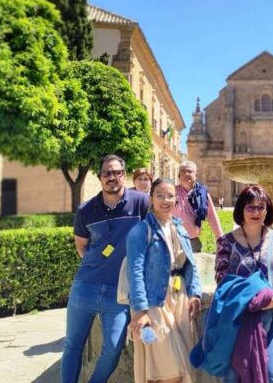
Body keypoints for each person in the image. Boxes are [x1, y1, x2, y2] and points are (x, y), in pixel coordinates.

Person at [62, 155, 151, 383]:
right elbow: (81, 246)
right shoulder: (86, 210)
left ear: (124, 174)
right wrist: (100, 263)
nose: (112, 177)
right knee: (73, 345)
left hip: (118, 294)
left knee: (112, 348)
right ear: (100, 177)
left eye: (116, 172)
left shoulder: (141, 203)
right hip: (85, 288)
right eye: (106, 173)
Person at [214, 185, 273, 382]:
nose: (256, 212)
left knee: (271, 372)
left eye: (261, 207)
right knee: (233, 374)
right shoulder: (227, 242)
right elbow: (222, 278)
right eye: (250, 207)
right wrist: (247, 301)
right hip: (238, 315)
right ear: (241, 209)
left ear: (267, 210)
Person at [126, 178, 203, 383]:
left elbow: (190, 265)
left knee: (183, 366)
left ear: (176, 200)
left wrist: (195, 294)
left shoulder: (179, 228)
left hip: (178, 299)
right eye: (159, 195)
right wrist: (141, 310)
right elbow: (135, 272)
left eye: (170, 195)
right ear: (151, 198)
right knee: (167, 368)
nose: (165, 200)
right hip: (154, 301)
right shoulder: (140, 230)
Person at [173, 160, 223, 252]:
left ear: (196, 175)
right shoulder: (172, 192)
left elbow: (212, 216)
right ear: (179, 176)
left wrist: (220, 239)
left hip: (192, 243)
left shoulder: (202, 194)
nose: (186, 174)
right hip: (172, 241)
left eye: (190, 171)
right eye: (183, 171)